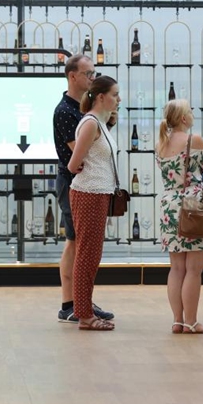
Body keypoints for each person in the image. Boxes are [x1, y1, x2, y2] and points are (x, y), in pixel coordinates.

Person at [53, 55, 114, 323]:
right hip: (76, 184)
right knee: (77, 243)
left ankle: (82, 302)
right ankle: (71, 304)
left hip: (91, 186)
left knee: (83, 245)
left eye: (94, 73)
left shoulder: (86, 110)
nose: (92, 77)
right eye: (88, 73)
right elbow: (77, 160)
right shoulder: (66, 111)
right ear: (72, 76)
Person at [155, 99, 203, 334]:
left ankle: (177, 320)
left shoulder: (161, 143)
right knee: (194, 270)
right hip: (193, 207)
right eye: (190, 112)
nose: (192, 115)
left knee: (176, 268)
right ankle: (192, 322)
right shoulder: (195, 141)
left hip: (169, 206)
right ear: (183, 118)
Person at [66, 75, 121, 331]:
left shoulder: (99, 122)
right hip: (88, 193)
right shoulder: (90, 123)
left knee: (91, 255)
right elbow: (72, 163)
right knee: (87, 255)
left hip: (99, 193)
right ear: (101, 97)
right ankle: (84, 314)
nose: (118, 99)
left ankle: (85, 310)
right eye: (114, 94)